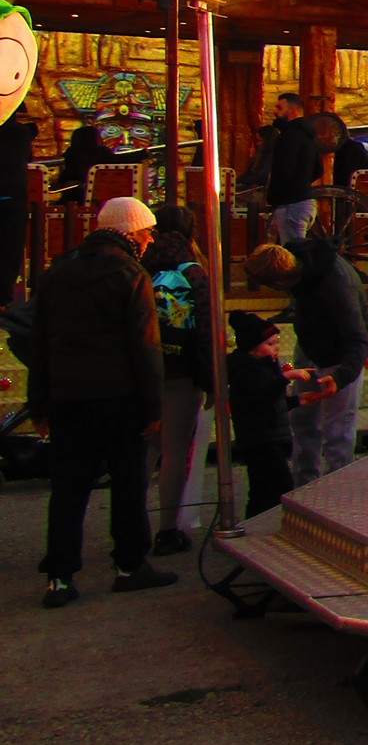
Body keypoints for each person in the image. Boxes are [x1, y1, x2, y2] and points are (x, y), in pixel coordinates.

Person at [28, 195, 174, 607]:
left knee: (69, 487)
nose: (149, 242)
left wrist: (38, 403)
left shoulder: (57, 273)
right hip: (120, 396)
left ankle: (59, 575)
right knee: (128, 485)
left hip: (67, 396)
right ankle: (130, 566)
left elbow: (40, 341)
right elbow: (146, 348)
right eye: (146, 234)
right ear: (133, 233)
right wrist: (154, 409)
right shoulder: (131, 274)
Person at [245, 237, 368, 486]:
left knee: (337, 430)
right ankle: (305, 485)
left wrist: (340, 376)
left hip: (341, 354)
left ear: (281, 282)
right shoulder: (300, 258)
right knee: (302, 420)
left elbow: (358, 340)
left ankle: (340, 494)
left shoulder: (336, 287)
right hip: (311, 345)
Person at [141, 205, 213, 555]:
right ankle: (167, 528)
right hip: (181, 371)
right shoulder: (193, 271)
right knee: (174, 452)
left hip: (144, 368)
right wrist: (212, 379)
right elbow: (205, 331)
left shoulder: (142, 266)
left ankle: (131, 522)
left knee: (144, 448)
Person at [224, 311, 306, 519]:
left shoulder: (265, 367)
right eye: (270, 344)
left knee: (263, 485)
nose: (275, 348)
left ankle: (257, 520)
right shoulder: (246, 369)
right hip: (259, 437)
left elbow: (272, 400)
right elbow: (262, 393)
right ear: (253, 347)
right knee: (276, 483)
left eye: (276, 343)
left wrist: (297, 401)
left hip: (269, 435)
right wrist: (287, 377)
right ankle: (261, 522)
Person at [262, 93, 322, 241]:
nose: (275, 112)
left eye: (279, 107)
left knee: (293, 255)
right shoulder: (309, 136)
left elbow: (285, 169)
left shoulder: (290, 136)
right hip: (304, 202)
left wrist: (279, 194)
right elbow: (318, 170)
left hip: (291, 205)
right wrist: (302, 184)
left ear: (293, 111)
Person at [0, 108, 37, 304]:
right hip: (15, 198)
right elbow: (28, 158)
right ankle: (4, 299)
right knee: (11, 251)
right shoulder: (21, 133)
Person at [51, 121, 118, 205]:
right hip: (102, 200)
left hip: (76, 199)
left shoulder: (73, 153)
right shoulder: (105, 153)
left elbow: (66, 177)